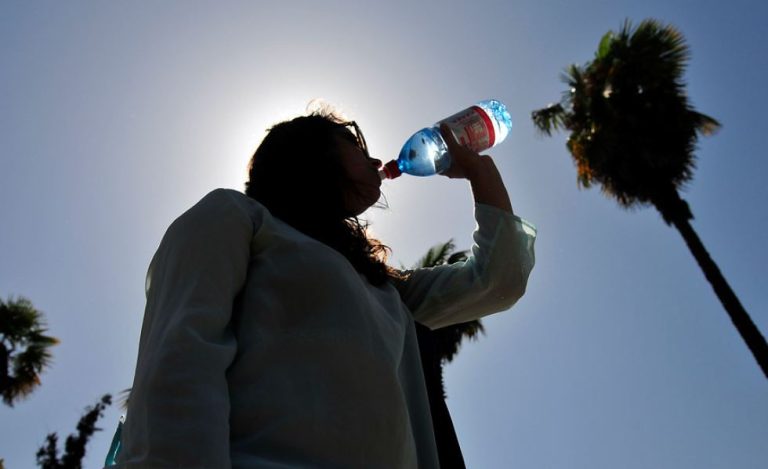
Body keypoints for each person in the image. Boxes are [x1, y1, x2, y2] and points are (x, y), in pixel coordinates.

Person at [112, 108, 536, 468]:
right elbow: (181, 360)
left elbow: (499, 280)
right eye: (355, 147)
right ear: (310, 156)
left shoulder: (384, 290)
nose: (374, 162)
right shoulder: (235, 217)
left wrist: (478, 170)